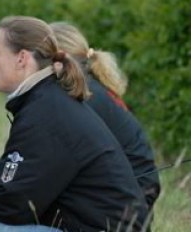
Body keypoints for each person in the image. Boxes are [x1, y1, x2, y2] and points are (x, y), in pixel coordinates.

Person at [0, 16, 148, 232]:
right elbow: (19, 180)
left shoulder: (45, 111)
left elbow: (16, 207)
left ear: (22, 59)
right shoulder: (45, 100)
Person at [50, 22, 160, 211]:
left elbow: (62, 159)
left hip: (131, 201)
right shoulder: (87, 85)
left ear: (59, 58)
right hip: (132, 191)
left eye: (40, 55)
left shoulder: (83, 94)